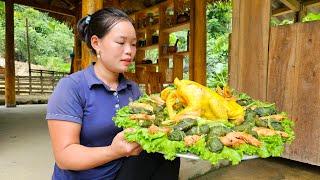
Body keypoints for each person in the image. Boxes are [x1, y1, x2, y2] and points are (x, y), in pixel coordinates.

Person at [46, 7, 180, 180]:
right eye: (120, 42)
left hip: (121, 172)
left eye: (133, 44)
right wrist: (113, 151)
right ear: (96, 43)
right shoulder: (72, 87)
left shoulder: (132, 88)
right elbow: (64, 156)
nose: (129, 51)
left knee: (169, 153)